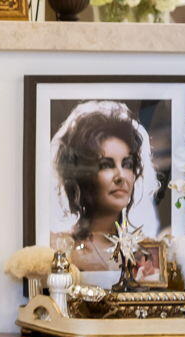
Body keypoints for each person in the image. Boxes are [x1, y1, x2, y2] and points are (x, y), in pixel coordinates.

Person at [48, 100, 162, 271]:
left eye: (127, 164)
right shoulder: (62, 249)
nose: (120, 176)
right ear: (83, 176)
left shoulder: (144, 253)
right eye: (106, 165)